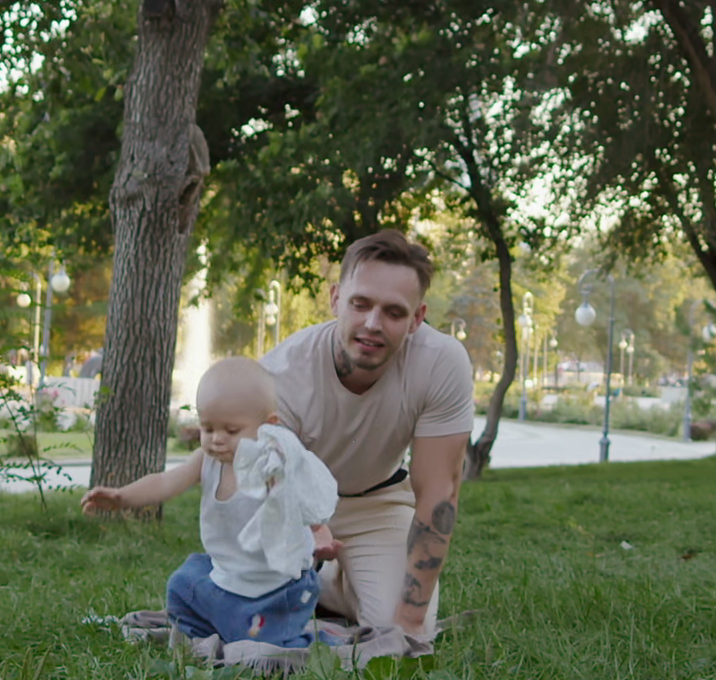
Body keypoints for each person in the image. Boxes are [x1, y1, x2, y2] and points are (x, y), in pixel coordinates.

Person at [260, 229, 473, 639]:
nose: (373, 324)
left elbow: (438, 493)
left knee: (400, 631)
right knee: (250, 615)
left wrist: (409, 623)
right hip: (292, 506)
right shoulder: (282, 372)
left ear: (416, 318)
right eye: (360, 304)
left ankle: (335, 583)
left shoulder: (442, 362)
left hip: (378, 502)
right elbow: (266, 482)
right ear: (336, 299)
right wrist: (307, 532)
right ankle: (318, 578)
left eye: (394, 312)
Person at [82, 358, 340, 648]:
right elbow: (165, 482)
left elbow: (305, 503)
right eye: (207, 428)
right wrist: (122, 497)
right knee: (183, 584)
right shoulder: (206, 461)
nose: (217, 439)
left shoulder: (272, 467)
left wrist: (321, 536)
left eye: (231, 431)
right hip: (227, 574)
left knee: (262, 642)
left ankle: (289, 638)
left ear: (267, 426)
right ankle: (202, 631)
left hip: (279, 585)